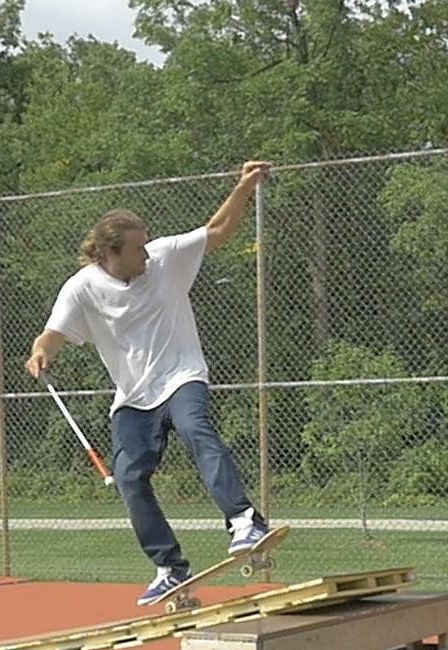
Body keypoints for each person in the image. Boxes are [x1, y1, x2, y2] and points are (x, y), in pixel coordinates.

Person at [26, 161, 274, 606]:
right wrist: (41, 352)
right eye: (137, 248)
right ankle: (170, 567)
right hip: (134, 397)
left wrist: (244, 187)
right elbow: (53, 334)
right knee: (128, 477)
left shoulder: (165, 257)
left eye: (146, 245)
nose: (146, 254)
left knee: (196, 428)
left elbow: (217, 231)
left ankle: (244, 520)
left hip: (182, 375)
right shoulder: (81, 288)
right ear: (110, 253)